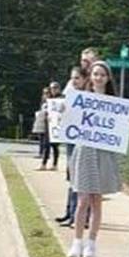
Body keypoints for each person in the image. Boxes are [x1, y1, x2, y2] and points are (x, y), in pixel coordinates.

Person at [67, 60, 123, 257]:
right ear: (90, 77)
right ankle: (77, 242)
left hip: (103, 152)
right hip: (84, 151)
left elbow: (121, 126)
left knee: (97, 201)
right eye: (96, 74)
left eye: (102, 74)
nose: (99, 77)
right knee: (82, 201)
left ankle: (92, 243)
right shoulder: (81, 99)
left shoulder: (115, 103)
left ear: (108, 78)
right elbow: (69, 119)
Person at [55, 66, 87, 226]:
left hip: (83, 142)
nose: (74, 81)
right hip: (71, 140)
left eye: (77, 78)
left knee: (81, 179)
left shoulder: (89, 97)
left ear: (84, 79)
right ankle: (70, 212)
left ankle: (78, 216)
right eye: (72, 78)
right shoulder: (69, 94)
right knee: (72, 176)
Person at [41, 81, 65, 170]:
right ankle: (43, 164)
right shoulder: (48, 98)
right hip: (49, 123)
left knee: (55, 146)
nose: (53, 90)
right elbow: (44, 109)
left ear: (59, 88)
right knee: (46, 144)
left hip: (57, 124)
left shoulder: (62, 98)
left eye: (55, 88)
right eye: (51, 88)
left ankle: (55, 164)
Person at [32, 89, 48, 159]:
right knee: (41, 139)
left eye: (47, 93)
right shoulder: (42, 103)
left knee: (46, 140)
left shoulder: (51, 102)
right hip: (41, 122)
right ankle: (41, 153)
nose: (45, 95)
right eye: (44, 93)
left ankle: (45, 154)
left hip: (47, 123)